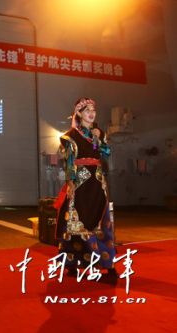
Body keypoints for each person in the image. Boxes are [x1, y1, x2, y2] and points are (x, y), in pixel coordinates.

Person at [54, 97, 118, 278]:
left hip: (97, 184)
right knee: (74, 226)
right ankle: (72, 263)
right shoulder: (70, 136)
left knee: (101, 224)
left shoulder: (99, 134)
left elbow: (105, 153)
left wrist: (98, 139)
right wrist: (70, 182)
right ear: (79, 114)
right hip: (80, 185)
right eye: (87, 110)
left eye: (93, 110)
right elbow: (68, 162)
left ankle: (107, 264)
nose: (91, 113)